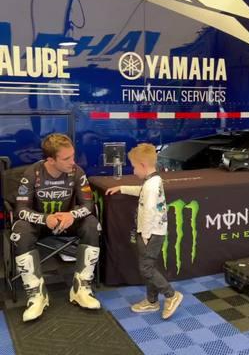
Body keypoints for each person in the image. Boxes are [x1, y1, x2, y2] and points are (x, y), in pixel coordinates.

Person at [11, 133, 101, 322]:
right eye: (66, 158)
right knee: (20, 230)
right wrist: (45, 219)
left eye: (73, 156)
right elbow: (20, 210)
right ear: (50, 160)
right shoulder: (32, 173)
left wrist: (71, 215)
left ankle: (81, 288)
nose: (72, 162)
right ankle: (36, 294)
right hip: (41, 224)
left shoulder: (77, 172)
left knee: (92, 223)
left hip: (67, 222)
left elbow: (88, 206)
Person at [105, 143, 183, 320]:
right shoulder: (153, 181)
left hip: (151, 233)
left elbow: (148, 210)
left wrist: (146, 235)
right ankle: (152, 300)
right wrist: (122, 188)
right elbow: (143, 193)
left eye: (133, 167)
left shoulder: (151, 185)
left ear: (142, 165)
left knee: (146, 269)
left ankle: (171, 295)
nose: (133, 171)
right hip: (154, 232)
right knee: (149, 267)